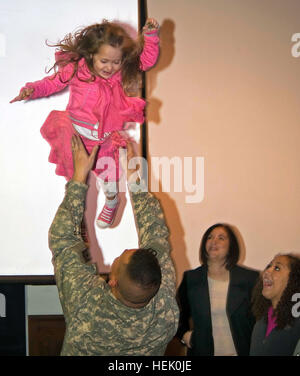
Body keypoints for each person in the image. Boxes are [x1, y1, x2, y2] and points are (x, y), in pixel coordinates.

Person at [10, 18, 159, 229]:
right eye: (104, 61)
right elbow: (51, 83)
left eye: (116, 62)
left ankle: (112, 200)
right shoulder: (75, 70)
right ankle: (76, 221)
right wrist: (32, 89)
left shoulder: (118, 74)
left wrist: (150, 38)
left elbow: (145, 61)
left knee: (110, 178)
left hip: (104, 140)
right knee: (75, 178)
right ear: (91, 55)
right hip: (77, 136)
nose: (110, 67)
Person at [48, 134, 179, 355]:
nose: (123, 252)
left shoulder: (88, 309)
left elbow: (62, 240)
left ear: (113, 282)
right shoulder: (165, 315)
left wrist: (79, 177)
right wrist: (132, 177)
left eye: (119, 260)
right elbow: (155, 232)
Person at [176, 223, 259, 356]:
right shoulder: (191, 278)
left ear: (231, 246)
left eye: (221, 238)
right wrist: (184, 334)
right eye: (209, 237)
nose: (214, 241)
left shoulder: (249, 278)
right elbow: (175, 313)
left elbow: (260, 319)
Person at [250, 253, 300, 356]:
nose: (267, 271)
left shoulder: (297, 322)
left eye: (277, 268)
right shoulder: (260, 321)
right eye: (269, 266)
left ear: (293, 279)